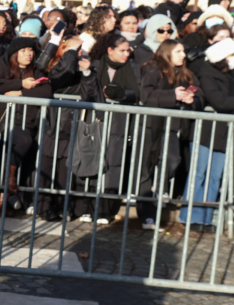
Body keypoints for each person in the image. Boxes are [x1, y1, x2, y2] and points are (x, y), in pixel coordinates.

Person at [185, 39, 234, 228]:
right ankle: (191, 217)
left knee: (215, 177)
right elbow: (219, 101)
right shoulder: (207, 74)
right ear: (222, 58)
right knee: (199, 174)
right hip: (207, 132)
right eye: (233, 55)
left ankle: (205, 218)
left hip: (226, 133)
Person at [138, 40, 203, 230]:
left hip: (173, 128)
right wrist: (172, 95)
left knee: (173, 159)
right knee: (145, 170)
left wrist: (192, 100)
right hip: (152, 126)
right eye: (178, 51)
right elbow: (146, 96)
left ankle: (161, 188)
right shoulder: (152, 69)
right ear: (167, 53)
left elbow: (200, 95)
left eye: (183, 51)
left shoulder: (186, 73)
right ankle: (146, 216)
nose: (183, 55)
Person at [36, 33, 98, 220]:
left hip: (70, 128)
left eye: (80, 50)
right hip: (52, 126)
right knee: (46, 169)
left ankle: (63, 207)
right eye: (74, 49)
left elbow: (90, 94)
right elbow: (63, 74)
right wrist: (71, 50)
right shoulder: (54, 68)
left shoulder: (81, 71)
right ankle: (44, 206)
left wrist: (87, 73)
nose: (78, 53)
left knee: (65, 172)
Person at [81, 32, 141, 224]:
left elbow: (139, 92)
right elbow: (87, 92)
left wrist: (122, 93)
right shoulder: (97, 65)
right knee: (91, 162)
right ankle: (88, 208)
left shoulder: (132, 67)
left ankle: (107, 210)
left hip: (119, 123)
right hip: (96, 121)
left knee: (113, 165)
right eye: (122, 50)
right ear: (110, 50)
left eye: (128, 50)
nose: (126, 54)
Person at [0, 37, 52, 210]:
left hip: (27, 124)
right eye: (24, 51)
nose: (29, 54)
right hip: (4, 124)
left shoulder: (37, 70)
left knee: (27, 142)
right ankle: (10, 179)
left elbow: (46, 91)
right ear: (14, 54)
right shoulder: (4, 67)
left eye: (31, 50)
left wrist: (19, 92)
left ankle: (8, 190)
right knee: (24, 140)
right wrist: (21, 83)